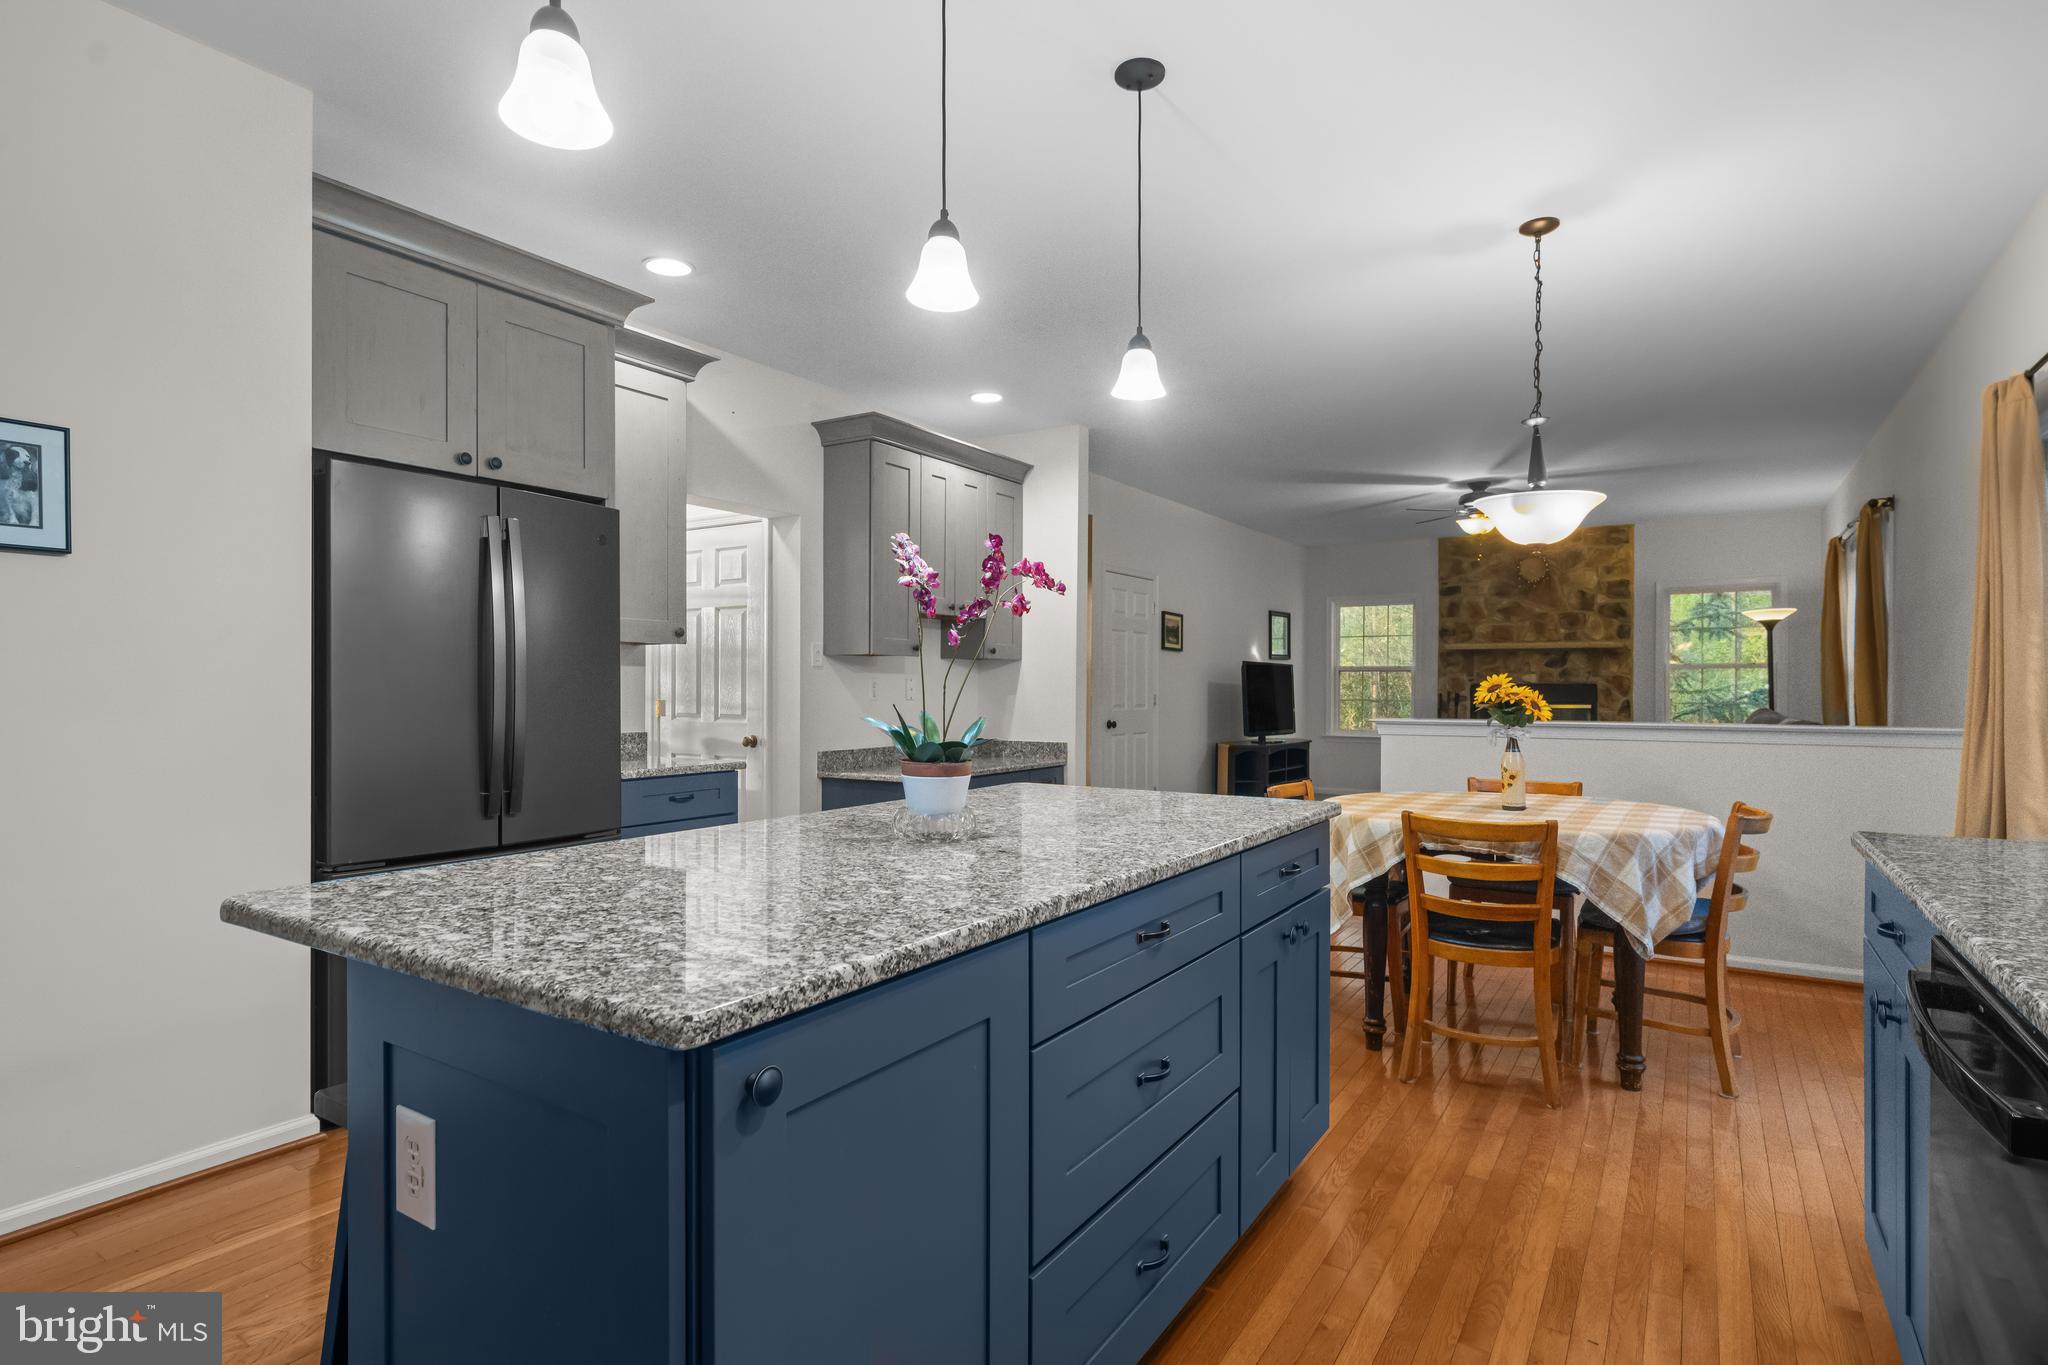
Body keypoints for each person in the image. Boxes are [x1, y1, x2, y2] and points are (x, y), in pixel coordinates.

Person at [0, 445, 38, 528]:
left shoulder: (29, 482)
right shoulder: (4, 485)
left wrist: (34, 521)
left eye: (27, 457)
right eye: (17, 455)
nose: (26, 460)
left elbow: (34, 503)